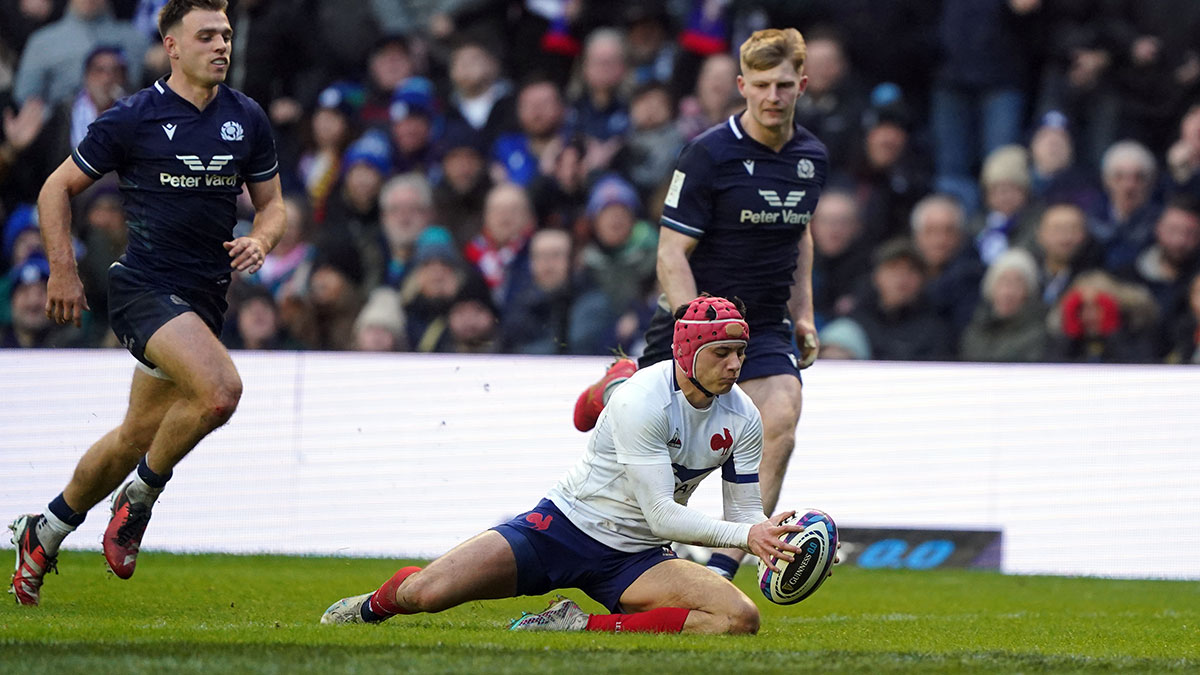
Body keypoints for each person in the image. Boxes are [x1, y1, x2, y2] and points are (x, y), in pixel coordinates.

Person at [7, 0, 285, 607]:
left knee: (136, 433)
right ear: (172, 46)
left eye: (228, 35)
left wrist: (261, 239)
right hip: (142, 289)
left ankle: (45, 529)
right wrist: (63, 270)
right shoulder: (133, 116)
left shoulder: (247, 118)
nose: (221, 46)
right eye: (206, 35)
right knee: (220, 392)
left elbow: (273, 205)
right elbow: (56, 188)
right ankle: (139, 499)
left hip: (203, 300)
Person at [321, 295, 817, 634]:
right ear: (688, 352)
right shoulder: (645, 401)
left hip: (638, 557)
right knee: (426, 594)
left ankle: (575, 622)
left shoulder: (745, 416)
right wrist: (746, 536)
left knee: (738, 619)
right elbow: (664, 513)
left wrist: (775, 539)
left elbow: (745, 511)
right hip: (563, 528)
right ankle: (370, 607)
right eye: (723, 353)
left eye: (741, 353)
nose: (735, 365)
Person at [572, 28, 826, 583]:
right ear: (741, 85)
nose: (773, 97)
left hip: (762, 324)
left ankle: (723, 568)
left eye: (784, 85)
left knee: (781, 415)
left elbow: (800, 237)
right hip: (693, 324)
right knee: (649, 438)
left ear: (802, 85)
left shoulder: (812, 157)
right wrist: (700, 332)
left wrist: (804, 314)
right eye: (761, 85)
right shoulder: (709, 154)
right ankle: (613, 386)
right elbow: (671, 252)